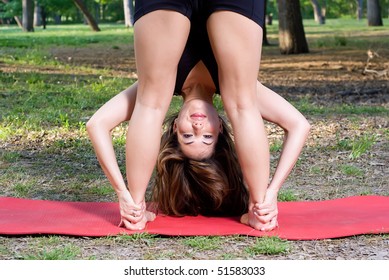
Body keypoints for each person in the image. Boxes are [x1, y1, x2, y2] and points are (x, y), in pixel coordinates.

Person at [87, 0, 310, 231]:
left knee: (150, 104)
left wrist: (127, 197)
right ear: (221, 129)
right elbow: (298, 126)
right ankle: (258, 202)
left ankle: (136, 202)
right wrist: (266, 198)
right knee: (244, 105)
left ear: (174, 127)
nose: (197, 128)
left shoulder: (159, 88)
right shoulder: (244, 92)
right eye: (207, 138)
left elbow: (97, 124)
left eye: (187, 136)